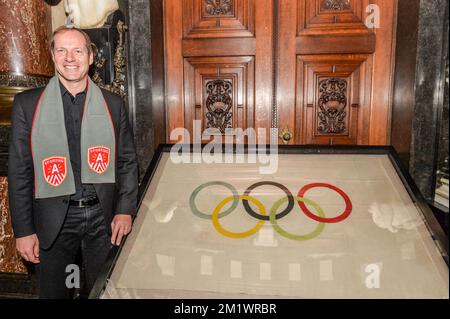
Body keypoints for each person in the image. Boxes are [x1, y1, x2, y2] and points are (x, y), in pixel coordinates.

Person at [8, 26, 138, 299]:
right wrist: (23, 230)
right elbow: (19, 173)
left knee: (103, 292)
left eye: (78, 50)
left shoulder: (113, 105)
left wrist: (125, 209)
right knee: (56, 294)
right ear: (53, 56)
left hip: (103, 220)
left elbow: (126, 161)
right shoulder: (27, 105)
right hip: (52, 220)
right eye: (62, 50)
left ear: (90, 57)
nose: (70, 57)